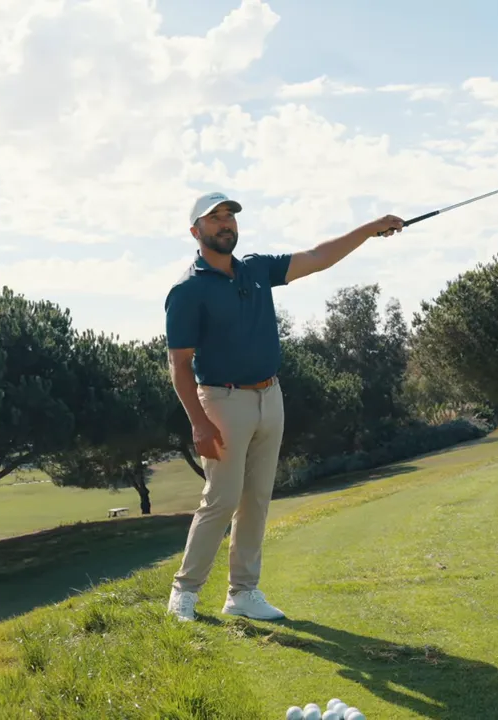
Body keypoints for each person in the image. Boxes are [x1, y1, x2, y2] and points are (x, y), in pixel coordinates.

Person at [162, 190, 404, 622]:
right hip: (222, 400)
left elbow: (318, 256)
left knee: (257, 498)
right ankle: (184, 593)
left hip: (270, 396)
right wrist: (198, 423)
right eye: (214, 219)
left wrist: (369, 229)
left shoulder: (256, 268)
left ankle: (243, 593)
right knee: (221, 499)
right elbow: (179, 366)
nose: (225, 224)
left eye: (229, 217)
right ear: (195, 231)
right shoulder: (187, 290)